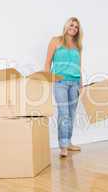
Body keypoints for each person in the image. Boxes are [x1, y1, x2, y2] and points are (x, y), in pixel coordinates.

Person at [44, 17, 83, 157]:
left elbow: (79, 66)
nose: (73, 28)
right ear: (66, 26)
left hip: (75, 83)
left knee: (72, 114)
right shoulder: (56, 41)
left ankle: (68, 142)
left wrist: (81, 84)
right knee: (63, 113)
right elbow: (48, 62)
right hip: (59, 82)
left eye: (76, 27)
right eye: (71, 25)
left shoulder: (78, 45)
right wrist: (47, 81)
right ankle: (63, 146)